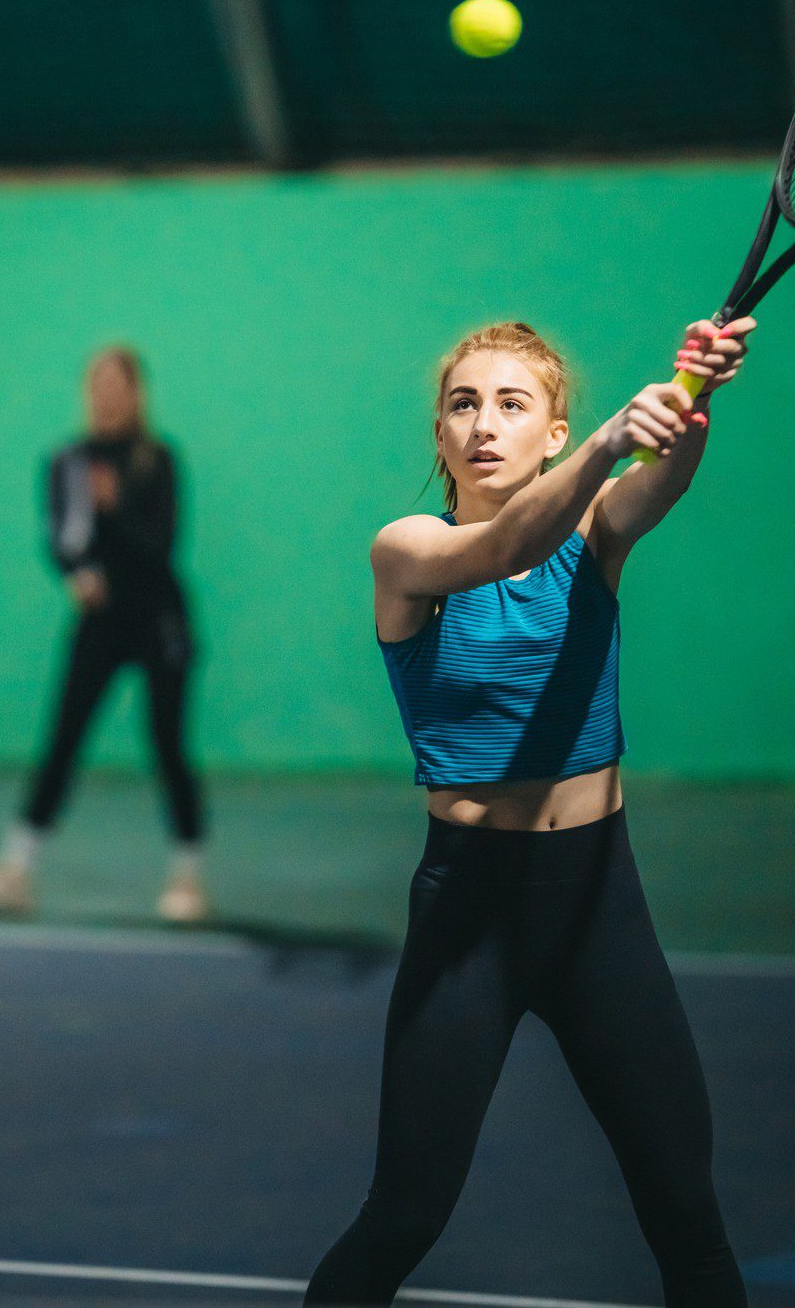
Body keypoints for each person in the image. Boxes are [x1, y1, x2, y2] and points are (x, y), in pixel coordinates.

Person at [305, 319, 755, 1307]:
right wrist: (608, 442)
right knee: (405, 1215)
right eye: (465, 403)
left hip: (600, 904)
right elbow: (510, 538)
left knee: (686, 1212)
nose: (485, 423)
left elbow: (662, 480)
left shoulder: (597, 532)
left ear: (548, 430)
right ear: (439, 431)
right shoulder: (409, 551)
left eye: (514, 404)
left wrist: (697, 393)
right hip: (472, 913)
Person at [0, 346, 207, 923]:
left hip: (159, 620)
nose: (106, 392)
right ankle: (15, 872)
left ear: (136, 391)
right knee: (62, 739)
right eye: (97, 382)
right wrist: (76, 575)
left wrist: (115, 507)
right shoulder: (65, 460)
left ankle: (187, 878)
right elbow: (60, 538)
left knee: (168, 746)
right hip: (101, 622)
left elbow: (161, 546)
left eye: (117, 382)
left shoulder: (158, 461)